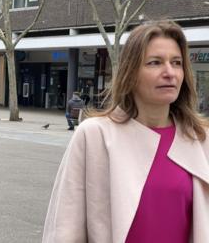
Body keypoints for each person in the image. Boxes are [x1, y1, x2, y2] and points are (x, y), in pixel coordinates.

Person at [42, 21, 209, 242]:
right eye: (155, 63)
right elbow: (65, 227)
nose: (170, 72)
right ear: (131, 73)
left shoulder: (200, 138)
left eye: (176, 63)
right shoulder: (95, 135)